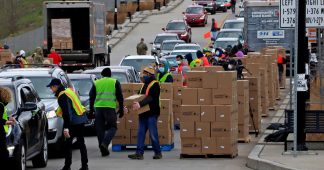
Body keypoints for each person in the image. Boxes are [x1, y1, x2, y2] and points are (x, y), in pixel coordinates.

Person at [47, 79, 89, 170]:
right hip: (81, 118)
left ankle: (67, 166)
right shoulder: (68, 91)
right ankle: (85, 166)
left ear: (56, 86)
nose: (51, 89)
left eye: (51, 87)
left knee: (68, 144)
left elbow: (67, 112)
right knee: (81, 143)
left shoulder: (62, 95)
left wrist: (66, 128)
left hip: (73, 122)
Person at [128, 67, 162, 160]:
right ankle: (139, 153)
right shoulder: (144, 85)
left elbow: (150, 97)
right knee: (141, 133)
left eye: (145, 74)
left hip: (152, 113)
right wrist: (129, 106)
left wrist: (139, 104)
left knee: (153, 133)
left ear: (149, 75)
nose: (143, 75)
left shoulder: (155, 85)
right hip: (143, 113)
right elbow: (139, 96)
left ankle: (158, 153)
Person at [89, 68, 124, 157]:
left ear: (102, 74)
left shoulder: (97, 82)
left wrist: (91, 110)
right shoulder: (115, 82)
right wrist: (121, 108)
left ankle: (103, 150)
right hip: (110, 108)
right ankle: (105, 143)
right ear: (110, 74)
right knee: (113, 127)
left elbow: (91, 96)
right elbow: (120, 96)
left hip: (99, 108)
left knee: (100, 129)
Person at [0, 87, 16, 164]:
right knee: (4, 154)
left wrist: (9, 118)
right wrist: (8, 122)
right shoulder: (0, 106)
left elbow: (2, 116)